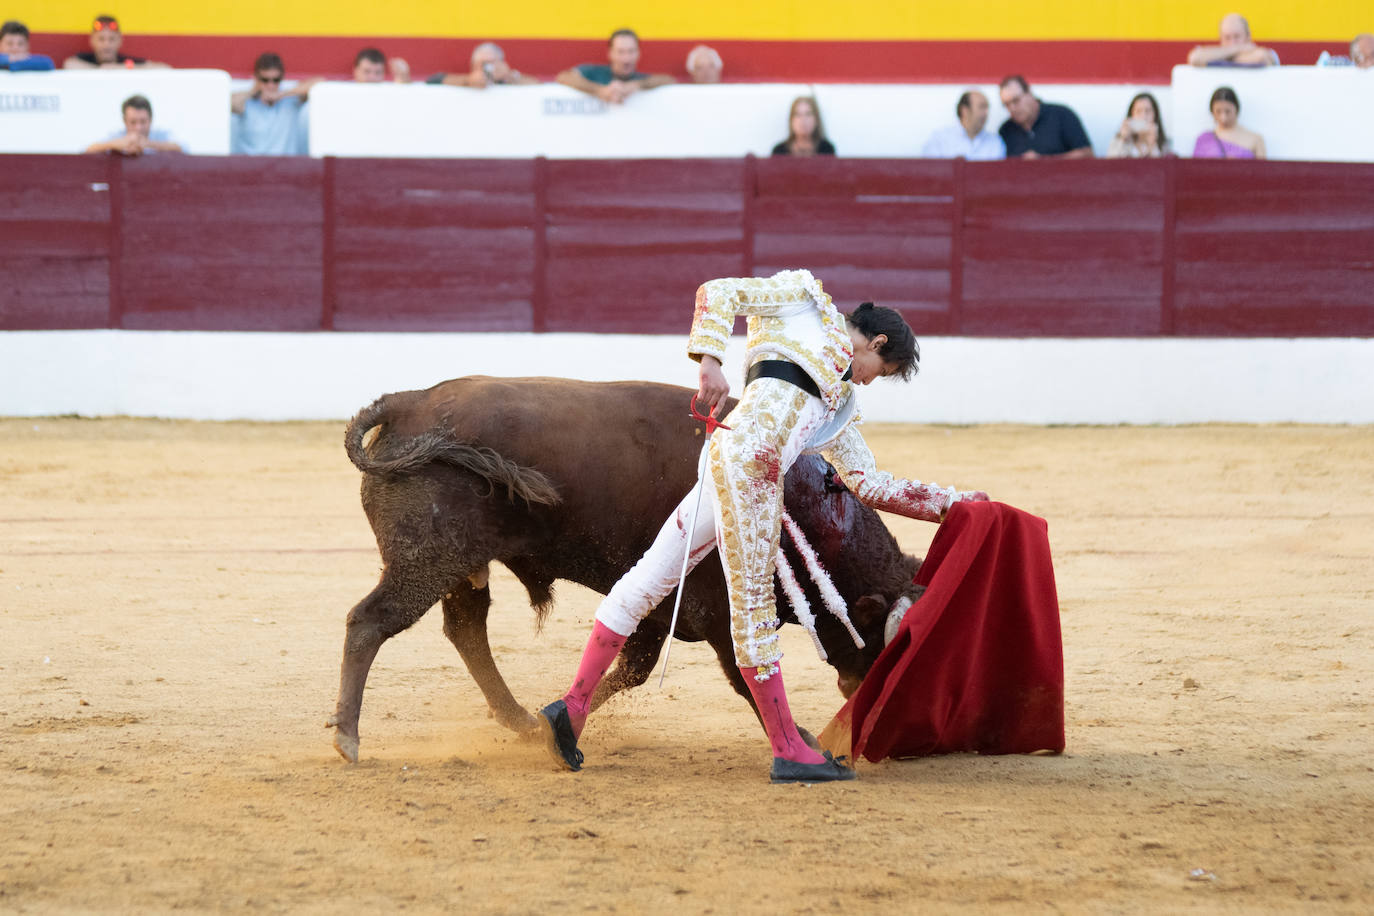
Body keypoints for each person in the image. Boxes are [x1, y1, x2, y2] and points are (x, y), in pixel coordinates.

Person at [536, 269, 989, 783]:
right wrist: (710, 361)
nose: (867, 380)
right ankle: (788, 749)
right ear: (878, 340)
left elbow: (869, 483)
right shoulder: (800, 302)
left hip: (726, 461)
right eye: (877, 369)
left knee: (648, 580)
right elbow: (717, 292)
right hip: (750, 470)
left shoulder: (840, 402)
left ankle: (570, 710)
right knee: (752, 609)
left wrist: (956, 504)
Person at [230, 52, 319, 156]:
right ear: (256, 78)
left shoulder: (290, 99)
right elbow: (229, 105)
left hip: (283, 167)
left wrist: (282, 94)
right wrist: (254, 91)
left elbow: (319, 84)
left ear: (282, 78)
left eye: (276, 80)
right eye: (265, 80)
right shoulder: (246, 101)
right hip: (250, 166)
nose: (270, 85)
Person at [556, 28, 674, 104]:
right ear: (610, 53)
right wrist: (600, 90)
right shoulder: (595, 72)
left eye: (631, 51)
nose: (626, 58)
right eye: (621, 52)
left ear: (638, 53)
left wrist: (636, 85)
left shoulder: (640, 79)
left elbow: (668, 80)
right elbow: (564, 77)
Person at [997, 75, 1093, 159]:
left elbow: (1087, 154)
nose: (1012, 108)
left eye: (1016, 100)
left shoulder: (1061, 115)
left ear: (1029, 93)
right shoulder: (1006, 130)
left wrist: (1045, 160)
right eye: (1007, 105)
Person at [85, 94, 183, 156]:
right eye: (133, 122)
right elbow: (87, 150)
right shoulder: (117, 137)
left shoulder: (160, 135)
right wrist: (115, 145)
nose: (138, 128)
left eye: (143, 121)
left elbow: (183, 148)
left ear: (151, 120)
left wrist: (149, 144)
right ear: (124, 121)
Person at [920, 90, 1005, 160]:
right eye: (981, 107)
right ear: (965, 111)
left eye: (987, 108)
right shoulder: (940, 139)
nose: (986, 113)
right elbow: (929, 172)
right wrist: (953, 168)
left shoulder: (995, 142)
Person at [63, 15, 168, 69]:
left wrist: (122, 68)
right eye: (101, 39)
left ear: (120, 41)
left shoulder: (127, 62)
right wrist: (102, 70)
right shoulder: (84, 59)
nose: (106, 44)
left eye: (111, 39)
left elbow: (163, 68)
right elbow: (69, 64)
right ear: (92, 40)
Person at [1191, 86, 1265, 159]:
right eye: (1218, 111)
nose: (1223, 117)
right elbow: (1195, 168)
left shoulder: (1255, 139)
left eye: (1228, 111)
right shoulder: (1204, 140)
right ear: (1212, 111)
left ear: (1236, 110)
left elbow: (1262, 169)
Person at [425, 42, 538, 88]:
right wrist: (468, 81)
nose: (487, 69)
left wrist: (512, 77)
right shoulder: (464, 82)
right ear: (473, 65)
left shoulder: (508, 80)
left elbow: (540, 87)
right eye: (482, 64)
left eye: (491, 63)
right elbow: (433, 80)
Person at [1187, 13, 1280, 68]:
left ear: (1248, 37)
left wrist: (1218, 58)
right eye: (1227, 38)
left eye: (1237, 36)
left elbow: (1261, 58)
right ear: (1221, 39)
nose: (1232, 43)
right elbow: (1195, 58)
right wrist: (1237, 49)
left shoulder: (1267, 53)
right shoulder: (1223, 53)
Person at [1106, 92, 1170, 158]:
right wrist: (1124, 140)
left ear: (1155, 115)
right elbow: (1111, 164)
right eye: (1138, 111)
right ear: (1131, 115)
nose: (1143, 116)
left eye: (1147, 111)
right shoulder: (1119, 139)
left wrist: (1152, 145)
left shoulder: (1163, 142)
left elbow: (1163, 166)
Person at [771, 96, 836, 157]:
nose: (803, 119)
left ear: (816, 119)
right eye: (798, 115)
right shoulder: (779, 151)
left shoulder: (827, 150)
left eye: (808, 114)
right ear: (791, 120)